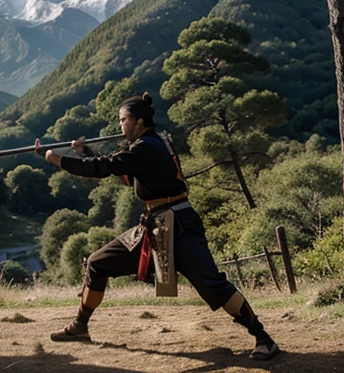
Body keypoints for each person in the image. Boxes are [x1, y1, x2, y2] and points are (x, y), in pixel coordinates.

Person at [35, 92, 279, 361]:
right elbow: (126, 175)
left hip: (180, 225)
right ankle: (80, 326)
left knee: (212, 285)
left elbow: (105, 167)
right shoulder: (154, 142)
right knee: (97, 263)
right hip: (155, 226)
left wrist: (58, 160)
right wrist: (85, 153)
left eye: (124, 120)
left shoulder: (146, 147)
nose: (121, 126)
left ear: (139, 122)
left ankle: (263, 338)